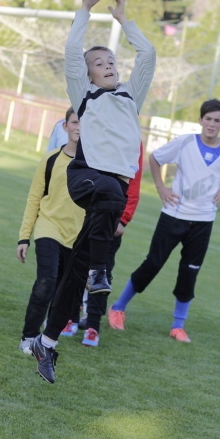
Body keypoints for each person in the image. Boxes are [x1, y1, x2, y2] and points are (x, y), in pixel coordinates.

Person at [29, 0, 156, 383]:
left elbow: (148, 55)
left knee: (75, 276)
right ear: (86, 75)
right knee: (110, 193)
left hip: (110, 194)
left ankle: (45, 345)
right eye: (99, 62)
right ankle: (102, 271)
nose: (109, 64)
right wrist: (85, 9)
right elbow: (72, 52)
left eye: (111, 60)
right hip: (84, 177)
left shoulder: (131, 96)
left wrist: (123, 18)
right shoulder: (84, 95)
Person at [107, 99, 220, 343]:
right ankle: (118, 308)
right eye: (208, 119)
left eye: (217, 120)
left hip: (203, 220)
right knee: (152, 264)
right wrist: (161, 187)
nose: (212, 124)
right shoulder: (185, 143)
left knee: (189, 272)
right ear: (201, 120)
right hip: (174, 215)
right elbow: (155, 158)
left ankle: (178, 325)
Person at [61, 143, 144, 348]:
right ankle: (69, 318)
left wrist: (122, 219)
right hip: (85, 213)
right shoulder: (94, 127)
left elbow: (133, 182)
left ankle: (93, 327)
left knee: (101, 271)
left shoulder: (131, 137)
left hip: (110, 216)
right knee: (76, 264)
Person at [16, 108, 83, 354]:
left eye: (84, 123)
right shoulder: (51, 159)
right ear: (64, 127)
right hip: (48, 227)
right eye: (75, 122)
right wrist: (24, 236)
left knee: (64, 291)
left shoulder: (95, 166)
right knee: (47, 280)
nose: (79, 127)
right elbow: (34, 198)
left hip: (76, 236)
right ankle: (29, 336)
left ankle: (46, 339)